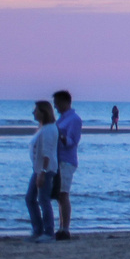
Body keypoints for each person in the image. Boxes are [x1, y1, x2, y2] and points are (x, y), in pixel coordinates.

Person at [25, 100, 59, 242]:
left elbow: (47, 153)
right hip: (38, 169)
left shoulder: (49, 129)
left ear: (43, 112)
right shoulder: (43, 128)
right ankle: (38, 230)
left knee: (43, 199)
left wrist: (43, 173)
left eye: (36, 110)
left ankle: (49, 232)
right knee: (30, 198)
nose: (33, 112)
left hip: (45, 170)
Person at [53, 90, 82, 240]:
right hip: (58, 160)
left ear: (65, 102)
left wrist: (60, 136)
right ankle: (61, 227)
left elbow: (72, 142)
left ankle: (65, 228)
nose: (55, 107)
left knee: (63, 194)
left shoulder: (74, 119)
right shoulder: (61, 119)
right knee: (59, 195)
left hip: (67, 161)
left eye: (57, 103)